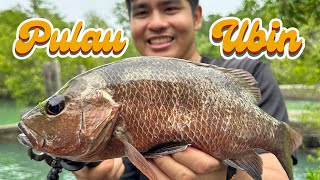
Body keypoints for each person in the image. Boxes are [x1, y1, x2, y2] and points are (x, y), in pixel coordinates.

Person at [73, 0, 296, 179]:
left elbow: (276, 174)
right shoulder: (114, 104)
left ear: (197, 17)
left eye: (170, 8)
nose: (157, 23)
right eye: (142, 12)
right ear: (130, 22)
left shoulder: (251, 71)